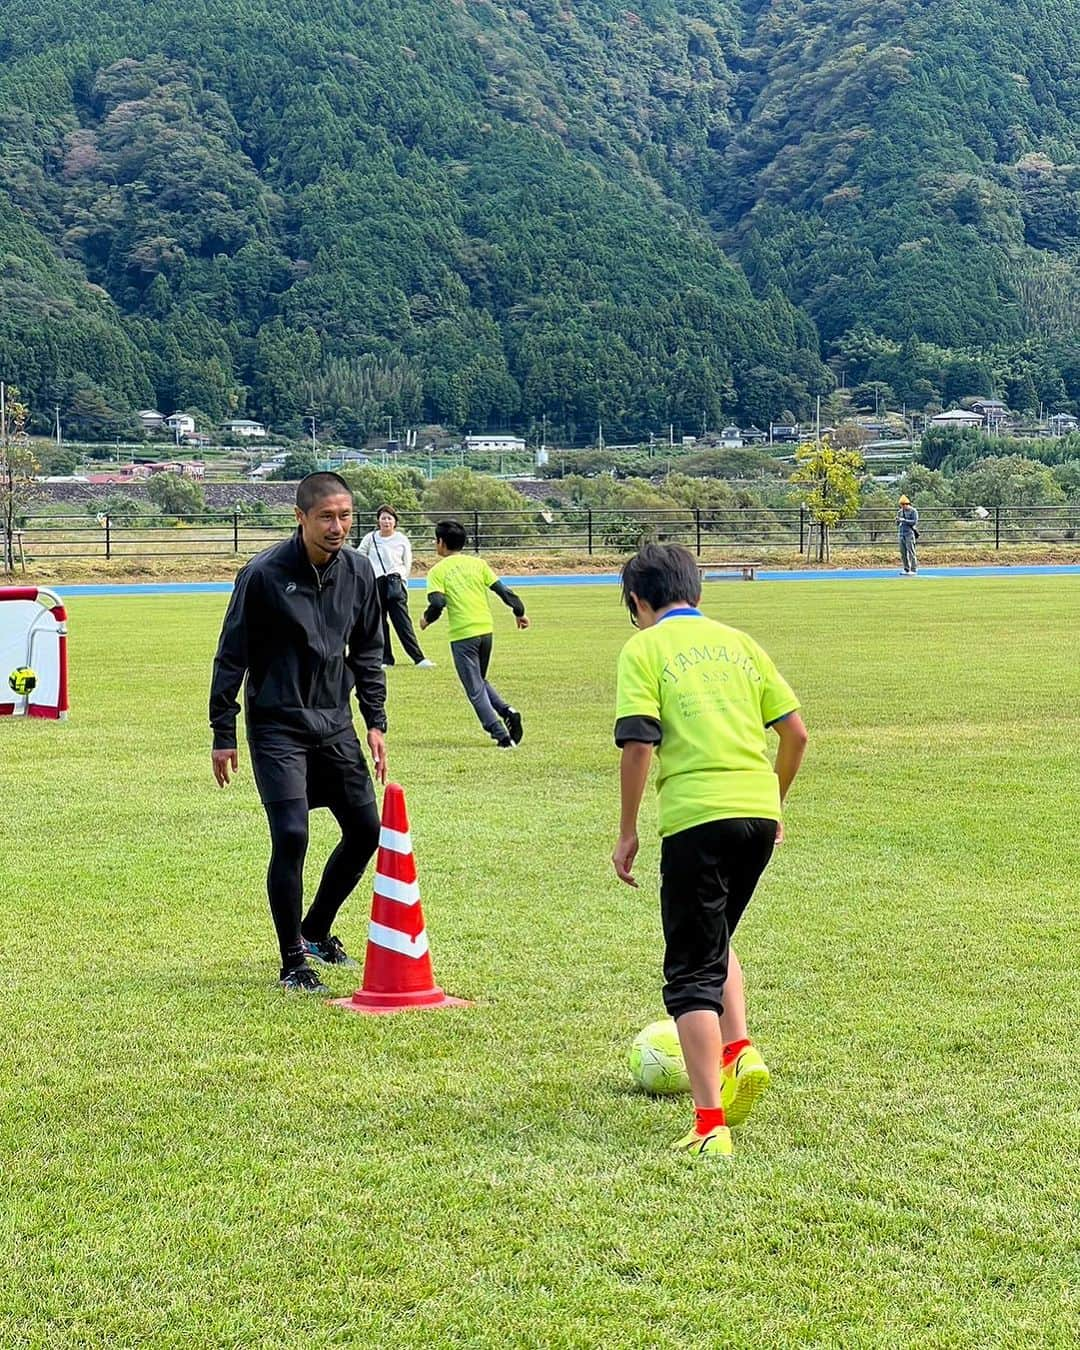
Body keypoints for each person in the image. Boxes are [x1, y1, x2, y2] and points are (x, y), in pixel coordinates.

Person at [611, 543, 808, 1159]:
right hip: (757, 810)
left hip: (698, 817)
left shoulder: (643, 648)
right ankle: (737, 1049)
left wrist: (627, 830)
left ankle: (708, 1127)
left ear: (639, 602)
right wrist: (770, 801)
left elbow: (639, 744)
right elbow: (796, 733)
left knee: (689, 972)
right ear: (697, 590)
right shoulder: (740, 643)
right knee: (716, 938)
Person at [209, 472, 388, 993]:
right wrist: (225, 730)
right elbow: (231, 653)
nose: (338, 527)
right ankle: (292, 959)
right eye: (327, 517)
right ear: (301, 517)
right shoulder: (264, 574)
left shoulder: (359, 572)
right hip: (277, 725)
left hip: (335, 723)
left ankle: (315, 930)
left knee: (366, 831)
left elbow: (369, 651)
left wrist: (375, 720)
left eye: (346, 516)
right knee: (291, 836)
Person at [418, 519, 529, 747]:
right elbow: (503, 591)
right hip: (485, 631)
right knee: (479, 680)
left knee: (474, 690)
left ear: (441, 542)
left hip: (463, 635)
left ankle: (501, 735)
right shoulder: (477, 564)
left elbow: (437, 602)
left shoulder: (437, 571)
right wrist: (519, 611)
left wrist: (426, 620)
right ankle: (508, 711)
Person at [356, 504, 435, 669]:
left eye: (389, 518)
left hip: (395, 584)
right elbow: (360, 556)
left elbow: (407, 562)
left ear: (395, 521)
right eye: (383, 518)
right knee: (380, 623)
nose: (386, 521)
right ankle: (386, 658)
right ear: (378, 520)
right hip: (376, 583)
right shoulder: (370, 538)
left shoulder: (401, 539)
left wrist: (403, 581)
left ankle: (418, 658)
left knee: (402, 622)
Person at [897, 494, 919, 574]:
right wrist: (898, 521)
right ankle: (906, 568)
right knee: (903, 553)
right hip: (901, 533)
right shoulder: (899, 512)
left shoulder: (913, 511)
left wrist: (904, 520)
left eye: (904, 504)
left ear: (907, 504)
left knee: (911, 552)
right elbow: (897, 523)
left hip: (909, 533)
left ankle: (913, 569)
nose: (903, 506)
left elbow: (914, 522)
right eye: (901, 505)